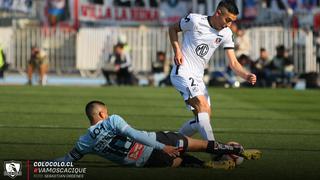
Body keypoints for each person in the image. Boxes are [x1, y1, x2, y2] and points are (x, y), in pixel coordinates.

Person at [56, 100, 261, 168]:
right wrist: (163, 145)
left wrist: (41, 165)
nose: (107, 113)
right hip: (160, 141)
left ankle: (205, 165)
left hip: (147, 161)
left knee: (185, 163)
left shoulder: (84, 142)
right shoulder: (112, 120)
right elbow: (135, 135)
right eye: (106, 111)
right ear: (101, 113)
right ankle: (237, 151)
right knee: (202, 145)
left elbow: (67, 160)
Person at [168, 0, 256, 142]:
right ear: (218, 13)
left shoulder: (226, 33)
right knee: (202, 106)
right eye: (227, 20)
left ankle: (174, 143)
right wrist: (177, 51)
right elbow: (172, 28)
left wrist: (246, 75)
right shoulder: (195, 20)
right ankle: (215, 150)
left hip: (198, 77)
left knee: (204, 119)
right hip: (182, 72)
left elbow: (233, 62)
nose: (229, 24)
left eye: (232, 21)